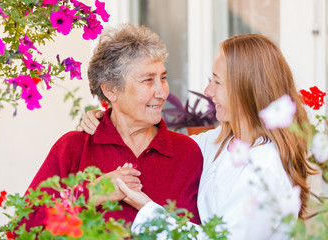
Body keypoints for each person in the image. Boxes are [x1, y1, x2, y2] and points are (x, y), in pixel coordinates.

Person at [80, 34, 314, 239]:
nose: (208, 91)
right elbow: (164, 144)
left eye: (218, 82)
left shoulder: (264, 168)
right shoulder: (219, 143)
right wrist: (108, 116)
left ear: (247, 89)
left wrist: (146, 208)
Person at [22, 23, 203, 230]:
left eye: (163, 78)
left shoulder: (188, 152)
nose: (162, 92)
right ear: (110, 90)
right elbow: (25, 228)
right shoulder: (74, 148)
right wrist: (93, 193)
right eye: (147, 80)